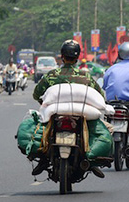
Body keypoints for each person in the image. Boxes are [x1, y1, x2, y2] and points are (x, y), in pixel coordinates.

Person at [31, 39, 106, 177]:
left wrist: (44, 102)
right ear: (77, 58)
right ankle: (92, 161)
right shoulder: (85, 76)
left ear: (62, 56)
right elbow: (100, 96)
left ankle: (43, 160)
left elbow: (36, 94)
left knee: (41, 131)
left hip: (55, 114)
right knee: (98, 131)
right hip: (81, 115)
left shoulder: (51, 75)